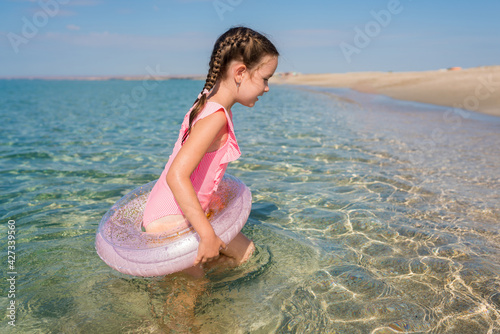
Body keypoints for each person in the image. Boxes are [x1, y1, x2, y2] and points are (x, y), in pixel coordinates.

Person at [142, 26, 279, 275]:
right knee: (191, 293)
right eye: (265, 78)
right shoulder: (215, 117)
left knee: (246, 254)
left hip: (169, 209)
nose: (267, 88)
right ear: (240, 72)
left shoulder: (206, 97)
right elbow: (177, 175)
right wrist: (206, 234)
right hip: (170, 220)